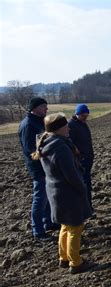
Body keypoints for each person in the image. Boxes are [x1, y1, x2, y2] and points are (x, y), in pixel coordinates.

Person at [31, 113, 95, 274]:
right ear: (58, 129)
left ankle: (64, 258)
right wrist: (82, 188)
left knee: (65, 226)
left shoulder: (47, 143)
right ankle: (76, 262)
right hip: (68, 192)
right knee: (76, 227)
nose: (68, 128)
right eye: (65, 125)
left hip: (56, 191)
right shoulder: (60, 147)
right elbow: (71, 174)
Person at [18, 97, 56, 241]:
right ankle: (38, 231)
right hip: (37, 167)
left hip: (45, 165)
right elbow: (30, 149)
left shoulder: (39, 121)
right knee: (40, 198)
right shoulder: (28, 125)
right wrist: (47, 153)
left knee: (46, 195)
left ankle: (48, 223)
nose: (46, 109)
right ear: (35, 108)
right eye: (43, 107)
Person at [68, 104, 94, 213]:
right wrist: (78, 154)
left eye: (86, 116)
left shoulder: (83, 124)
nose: (85, 118)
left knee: (87, 184)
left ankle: (88, 207)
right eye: (83, 116)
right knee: (84, 185)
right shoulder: (71, 125)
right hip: (80, 160)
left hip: (87, 158)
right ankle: (85, 209)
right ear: (77, 114)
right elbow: (70, 142)